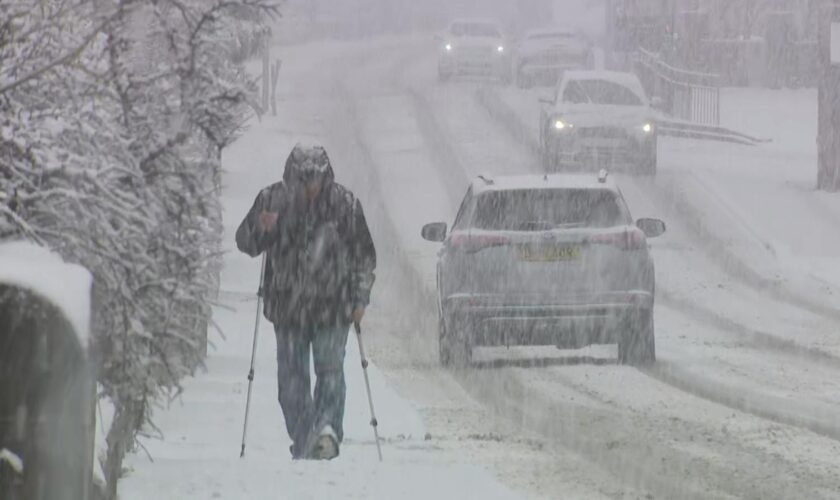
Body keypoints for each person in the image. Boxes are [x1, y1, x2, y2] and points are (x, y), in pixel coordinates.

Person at [235, 143, 376, 460]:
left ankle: (326, 432)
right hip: (289, 309)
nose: (310, 186)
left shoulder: (345, 205)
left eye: (316, 178)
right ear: (292, 175)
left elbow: (363, 257)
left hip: (333, 307)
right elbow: (246, 242)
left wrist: (359, 297)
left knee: (330, 372)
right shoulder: (272, 200)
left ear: (326, 176)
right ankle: (305, 437)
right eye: (304, 178)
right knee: (291, 381)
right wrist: (260, 225)